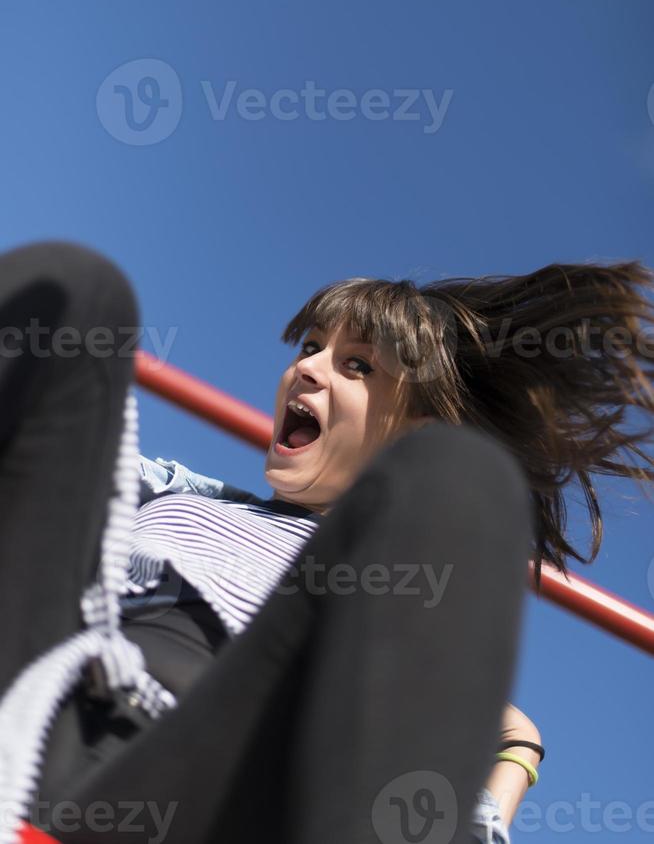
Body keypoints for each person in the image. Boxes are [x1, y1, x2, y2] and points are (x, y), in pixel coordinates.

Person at [0, 241, 652, 844]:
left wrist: (516, 755)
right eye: (308, 346)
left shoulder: (395, 606)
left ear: (412, 429)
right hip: (41, 699)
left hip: (216, 796)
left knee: (467, 477)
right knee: (79, 289)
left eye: (357, 366)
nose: (306, 369)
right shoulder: (176, 495)